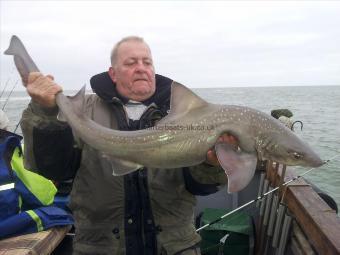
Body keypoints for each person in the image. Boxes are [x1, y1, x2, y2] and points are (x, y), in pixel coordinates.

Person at [20, 36, 236, 255]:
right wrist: (46, 113)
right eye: (131, 63)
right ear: (113, 73)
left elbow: (200, 187)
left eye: (147, 62)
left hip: (174, 247)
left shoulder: (183, 115)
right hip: (101, 248)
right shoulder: (83, 111)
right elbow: (53, 169)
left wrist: (213, 164)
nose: (141, 68)